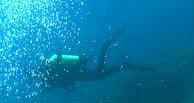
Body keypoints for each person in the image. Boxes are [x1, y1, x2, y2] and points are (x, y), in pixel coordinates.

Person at [25, 29, 153, 91]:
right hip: (77, 73)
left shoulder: (46, 74)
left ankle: (106, 46)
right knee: (100, 75)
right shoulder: (46, 72)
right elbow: (59, 82)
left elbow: (59, 81)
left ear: (33, 74)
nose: (34, 79)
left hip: (78, 73)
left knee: (99, 75)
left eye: (32, 78)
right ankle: (123, 65)